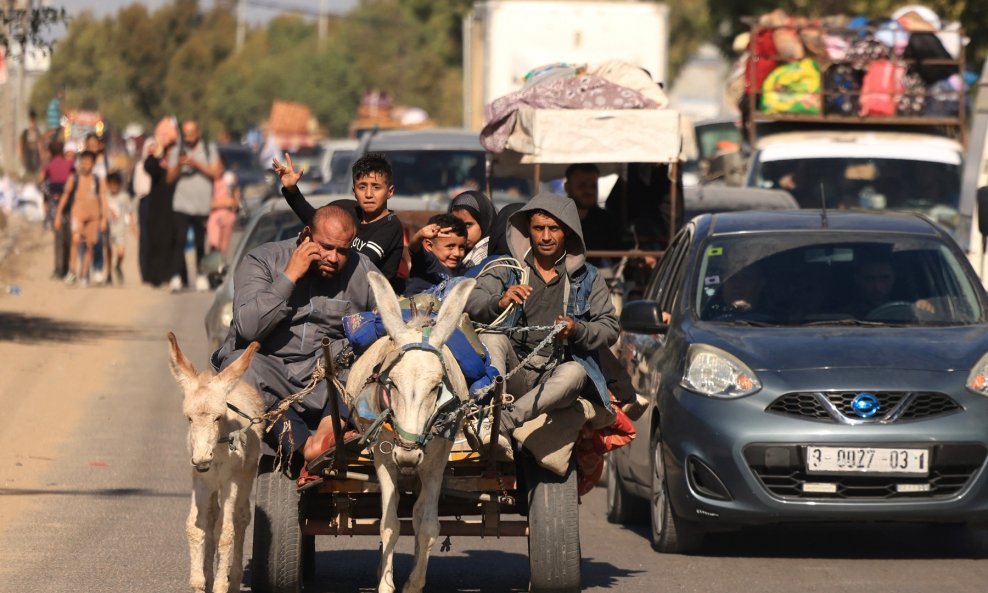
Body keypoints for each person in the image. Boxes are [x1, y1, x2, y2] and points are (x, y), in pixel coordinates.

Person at [211, 204, 377, 472]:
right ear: (306, 235)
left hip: (331, 380)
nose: (334, 258)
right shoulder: (263, 260)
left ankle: (328, 429)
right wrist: (290, 276)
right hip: (273, 376)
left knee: (370, 358)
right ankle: (304, 448)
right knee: (238, 368)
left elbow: (387, 322)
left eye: (343, 251)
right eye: (326, 247)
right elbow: (248, 328)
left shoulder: (363, 270)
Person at [465, 192, 620, 456]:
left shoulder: (589, 278)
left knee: (576, 371)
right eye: (538, 228)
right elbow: (472, 300)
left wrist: (577, 329)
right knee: (493, 338)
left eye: (553, 229)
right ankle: (487, 408)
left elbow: (609, 327)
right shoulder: (508, 269)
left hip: (554, 375)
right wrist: (499, 302)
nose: (546, 237)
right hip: (513, 372)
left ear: (567, 233)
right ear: (529, 231)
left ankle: (503, 422)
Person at [274, 151, 404, 289]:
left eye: (376, 187)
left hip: (372, 300)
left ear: (390, 192)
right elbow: (315, 221)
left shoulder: (391, 225)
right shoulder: (344, 209)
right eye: (362, 187)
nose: (368, 194)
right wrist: (291, 189)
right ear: (354, 191)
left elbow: (362, 262)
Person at [168, 119, 221, 292]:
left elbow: (216, 172)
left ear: (198, 132)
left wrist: (196, 163)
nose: (188, 137)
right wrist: (179, 164)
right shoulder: (177, 150)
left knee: (199, 242)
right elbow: (169, 178)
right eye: (186, 133)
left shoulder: (208, 149)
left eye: (191, 133)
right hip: (181, 203)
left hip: (201, 205)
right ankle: (176, 276)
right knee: (179, 240)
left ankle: (201, 276)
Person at [54, 151, 107, 287]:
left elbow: (103, 199)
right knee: (76, 240)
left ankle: (84, 275)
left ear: (93, 164)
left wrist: (104, 218)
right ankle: (72, 271)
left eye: (88, 163)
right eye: (83, 162)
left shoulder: (97, 180)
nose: (85, 166)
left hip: (94, 215)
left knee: (89, 245)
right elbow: (65, 196)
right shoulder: (74, 178)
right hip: (77, 213)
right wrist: (58, 214)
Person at [563, 163, 624, 265]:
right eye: (582, 185)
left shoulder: (606, 220)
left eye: (593, 186)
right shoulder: (556, 219)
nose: (589, 190)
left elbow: (618, 254)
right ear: (567, 187)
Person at [405, 213, 467, 297]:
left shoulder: (461, 269)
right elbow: (413, 248)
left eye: (461, 247)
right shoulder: (428, 261)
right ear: (429, 246)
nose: (457, 253)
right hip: (415, 307)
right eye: (450, 246)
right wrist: (420, 235)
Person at [41, 140, 74, 279]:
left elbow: (41, 183)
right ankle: (67, 269)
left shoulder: (48, 166)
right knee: (69, 239)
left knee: (59, 239)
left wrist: (48, 199)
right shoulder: (71, 165)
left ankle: (58, 270)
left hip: (56, 207)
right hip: (70, 205)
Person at [448, 190, 497, 269]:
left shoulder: (481, 257)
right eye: (456, 225)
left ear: (484, 223)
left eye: (468, 225)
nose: (461, 231)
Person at [206, 163, 240, 257]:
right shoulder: (208, 180)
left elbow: (236, 196)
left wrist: (232, 202)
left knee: (224, 244)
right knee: (214, 242)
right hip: (214, 214)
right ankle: (214, 260)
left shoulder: (229, 179)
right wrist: (221, 203)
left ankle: (220, 263)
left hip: (228, 214)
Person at [105, 171, 132, 284]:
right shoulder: (105, 196)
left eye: (116, 184)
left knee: (121, 252)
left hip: (120, 229)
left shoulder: (124, 197)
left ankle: (117, 266)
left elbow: (129, 212)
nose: (113, 187)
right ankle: (108, 274)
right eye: (111, 184)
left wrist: (131, 225)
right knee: (108, 252)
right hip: (107, 229)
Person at [19, 109, 43, 177]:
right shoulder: (25, 131)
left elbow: (39, 143)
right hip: (27, 151)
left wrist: (41, 154)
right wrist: (21, 153)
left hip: (35, 151)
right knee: (27, 167)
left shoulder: (37, 131)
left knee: (34, 168)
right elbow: (21, 142)